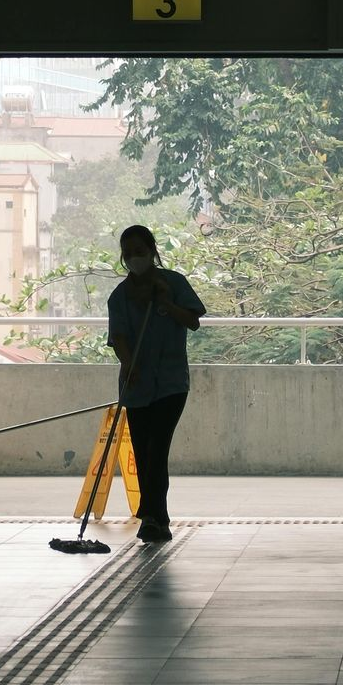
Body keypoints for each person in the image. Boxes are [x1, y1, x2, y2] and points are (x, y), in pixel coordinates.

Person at [106, 224, 205, 543]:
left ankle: (151, 516)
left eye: (139, 251)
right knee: (142, 450)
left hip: (171, 382)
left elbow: (193, 321)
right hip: (136, 384)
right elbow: (118, 337)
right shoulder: (119, 296)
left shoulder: (173, 283)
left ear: (151, 251)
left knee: (157, 447)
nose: (134, 258)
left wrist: (166, 303)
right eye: (128, 253)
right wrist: (129, 364)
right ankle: (155, 518)